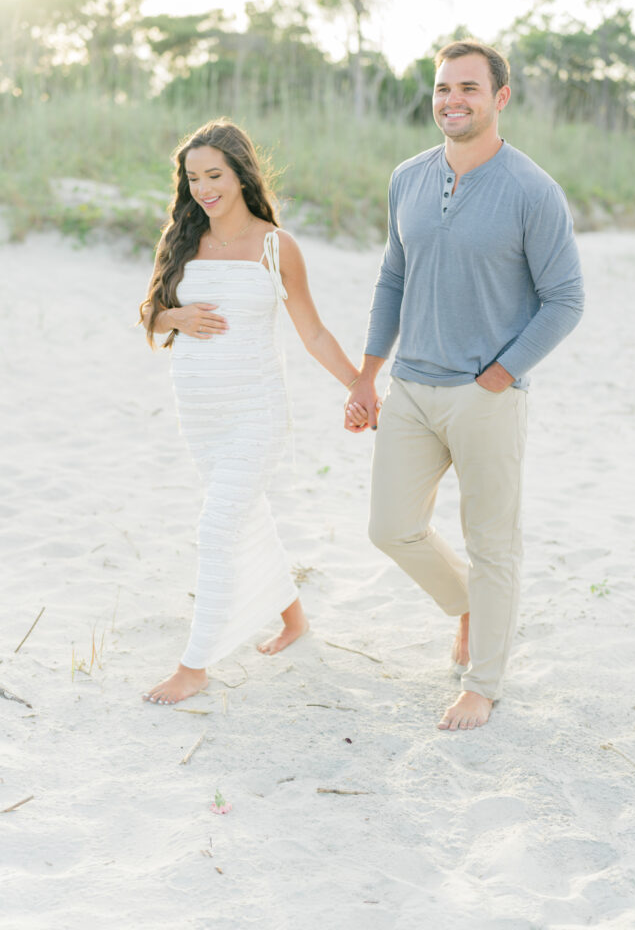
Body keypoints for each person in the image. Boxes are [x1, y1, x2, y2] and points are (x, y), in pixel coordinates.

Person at [345, 40, 584, 731]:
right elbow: (394, 277)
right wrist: (366, 374)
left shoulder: (532, 190)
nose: (453, 100)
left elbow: (564, 299)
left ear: (499, 98)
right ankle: (467, 607)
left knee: (491, 544)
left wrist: (502, 373)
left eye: (469, 89)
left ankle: (482, 682)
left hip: (487, 398)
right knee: (391, 528)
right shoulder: (407, 179)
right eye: (443, 88)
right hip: (411, 388)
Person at [139, 119, 364, 705]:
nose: (203, 189)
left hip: (255, 413)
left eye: (214, 175)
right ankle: (293, 620)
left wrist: (358, 385)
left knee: (216, 529)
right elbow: (151, 313)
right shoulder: (182, 240)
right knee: (246, 514)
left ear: (241, 174)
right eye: (193, 178)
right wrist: (174, 318)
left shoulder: (275, 246)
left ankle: (195, 666)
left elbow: (312, 332)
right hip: (200, 416)